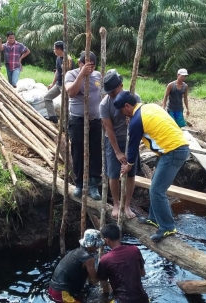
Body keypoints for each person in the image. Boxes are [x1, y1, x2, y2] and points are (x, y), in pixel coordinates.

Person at [114, 91, 190, 242]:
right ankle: (154, 218)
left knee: (157, 190)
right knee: (154, 185)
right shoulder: (148, 108)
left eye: (122, 110)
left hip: (173, 151)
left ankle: (168, 227)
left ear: (127, 106)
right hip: (174, 148)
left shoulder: (136, 121)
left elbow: (133, 147)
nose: (123, 114)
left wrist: (128, 165)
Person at [99, 69, 140, 219]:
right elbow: (108, 128)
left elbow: (140, 120)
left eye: (114, 92)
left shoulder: (134, 97)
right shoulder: (105, 104)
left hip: (130, 140)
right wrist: (117, 151)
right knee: (114, 173)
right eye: (109, 92)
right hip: (113, 141)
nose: (111, 95)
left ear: (121, 86)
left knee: (131, 173)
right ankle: (116, 204)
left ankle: (127, 205)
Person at [64, 51, 102, 200]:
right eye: (87, 64)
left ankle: (93, 185)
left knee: (96, 152)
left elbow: (103, 95)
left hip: (96, 120)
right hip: (78, 120)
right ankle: (79, 184)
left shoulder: (98, 75)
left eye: (92, 65)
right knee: (77, 152)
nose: (90, 68)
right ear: (79, 63)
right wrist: (82, 75)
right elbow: (71, 92)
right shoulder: (71, 74)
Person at [98, 223, 149, 303]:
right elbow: (142, 273)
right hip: (142, 298)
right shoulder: (135, 250)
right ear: (119, 235)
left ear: (106, 240)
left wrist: (105, 298)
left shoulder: (105, 259)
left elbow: (104, 285)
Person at [48, 229, 103, 303]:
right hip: (61, 293)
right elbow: (94, 280)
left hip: (52, 288)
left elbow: (90, 279)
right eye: (96, 245)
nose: (98, 247)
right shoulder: (89, 259)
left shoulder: (76, 252)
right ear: (91, 245)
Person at [44, 41, 72, 124]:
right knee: (47, 97)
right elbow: (57, 72)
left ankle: (65, 124)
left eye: (54, 49)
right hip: (59, 84)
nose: (54, 50)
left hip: (65, 85)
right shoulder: (58, 58)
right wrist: (53, 83)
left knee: (65, 105)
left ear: (59, 49)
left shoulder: (68, 60)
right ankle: (52, 117)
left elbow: (68, 74)